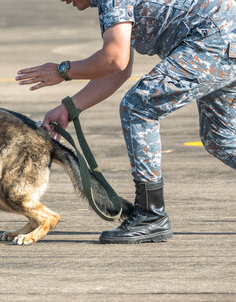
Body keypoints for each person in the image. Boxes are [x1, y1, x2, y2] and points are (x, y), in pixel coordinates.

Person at [16, 0, 236, 244]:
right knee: (221, 139)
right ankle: (150, 215)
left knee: (138, 107)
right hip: (224, 39)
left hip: (216, 40)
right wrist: (69, 108)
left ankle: (151, 215)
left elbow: (114, 59)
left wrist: (62, 70)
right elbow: (119, 68)